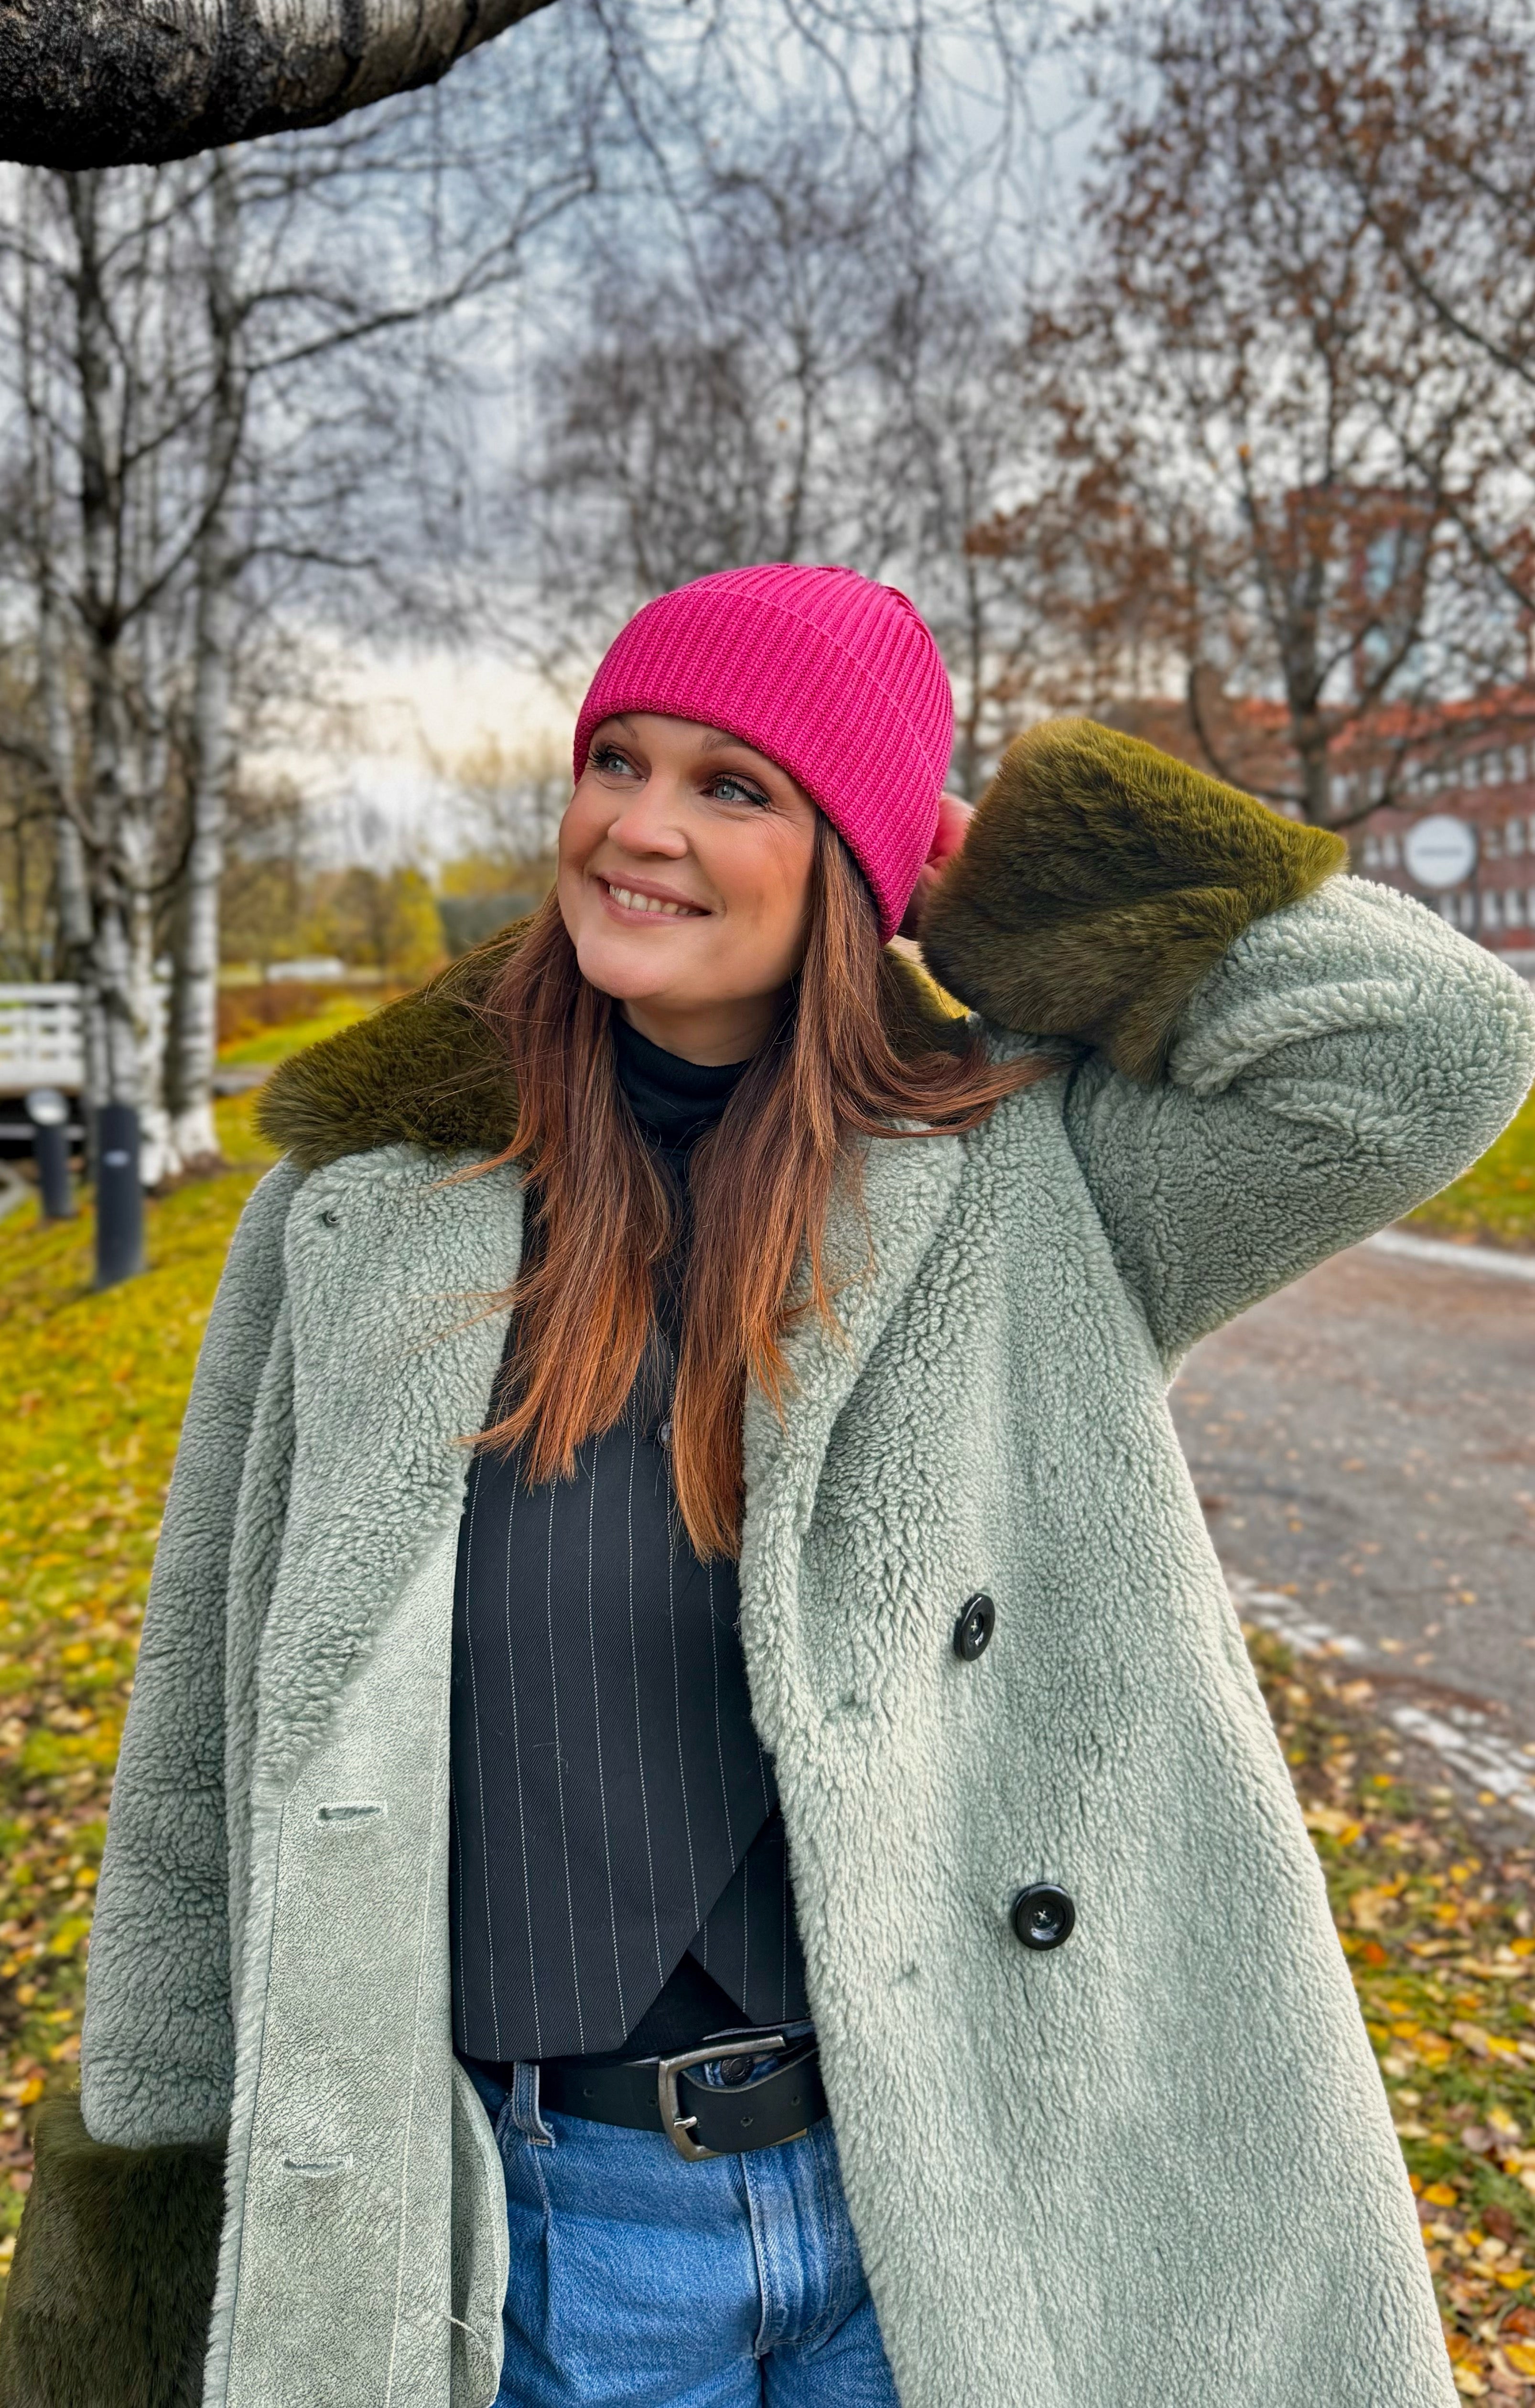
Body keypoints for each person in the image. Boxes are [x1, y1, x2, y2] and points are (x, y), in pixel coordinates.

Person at [2, 563, 1531, 2408]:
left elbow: (1429, 1050)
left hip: (963, 2205)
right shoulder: (364, 1215)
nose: (639, 827)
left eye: (735, 788)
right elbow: (205, 1718)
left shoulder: (1029, 1177)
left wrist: (1007, 883)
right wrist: (157, 2186)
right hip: (551, 2239)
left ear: (854, 862)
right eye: (616, 762)